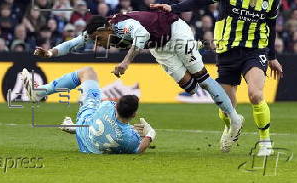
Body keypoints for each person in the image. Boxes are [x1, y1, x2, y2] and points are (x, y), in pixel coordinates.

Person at [34, 10, 244, 152]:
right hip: (160, 46)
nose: (99, 44)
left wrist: (126, 62)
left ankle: (235, 119)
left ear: (105, 29)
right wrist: (51, 53)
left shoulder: (123, 25)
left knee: (203, 79)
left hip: (173, 31)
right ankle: (195, 47)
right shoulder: (96, 32)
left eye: (99, 40)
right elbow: (73, 44)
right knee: (190, 87)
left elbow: (141, 36)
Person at [150, 0, 283, 156]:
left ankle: (265, 141)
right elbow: (201, 0)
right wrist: (173, 8)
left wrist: (272, 56)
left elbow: (271, 26)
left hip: (254, 51)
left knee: (255, 94)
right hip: (227, 51)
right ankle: (230, 126)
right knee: (226, 106)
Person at [18, 66, 156, 154]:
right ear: (134, 114)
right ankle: (74, 128)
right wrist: (149, 134)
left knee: (87, 73)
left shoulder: (107, 106)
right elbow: (139, 149)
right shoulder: (129, 138)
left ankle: (40, 92)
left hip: (85, 123)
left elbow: (114, 121)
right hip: (88, 148)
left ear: (117, 103)